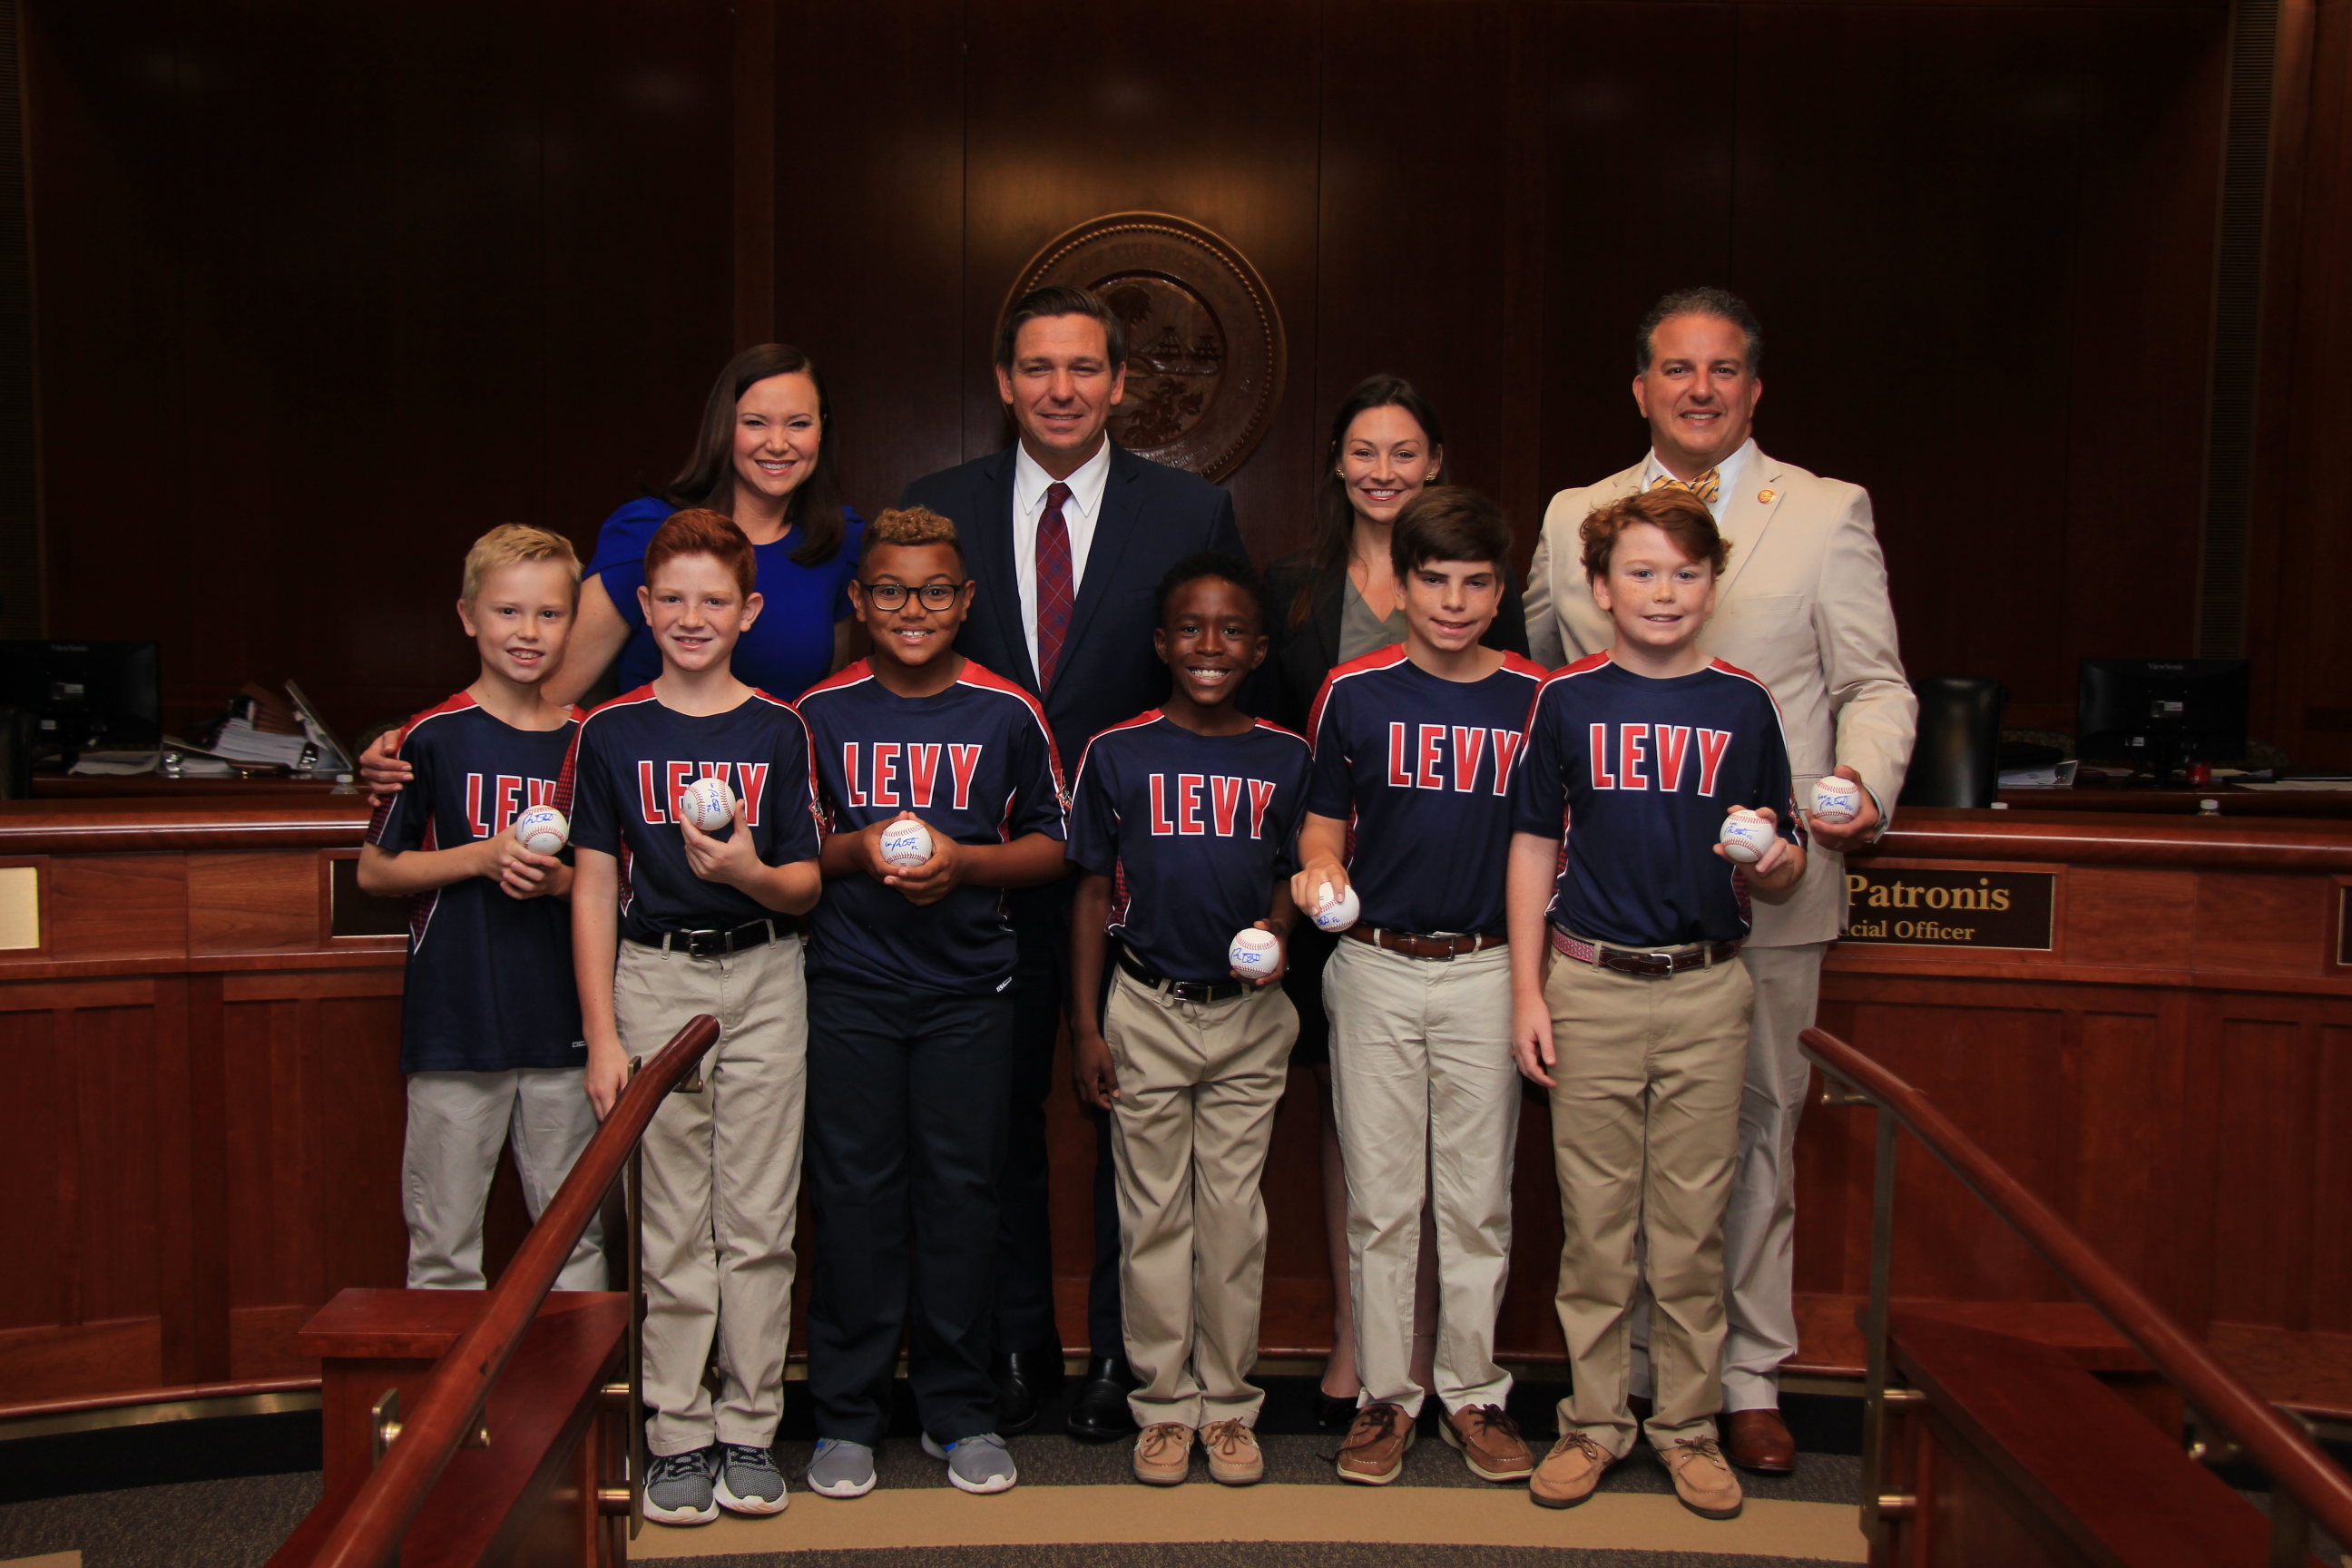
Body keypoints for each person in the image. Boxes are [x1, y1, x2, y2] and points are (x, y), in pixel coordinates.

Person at [1522, 287, 1916, 1473]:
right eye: (1677, 369)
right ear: (1641, 387)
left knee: (1747, 1142)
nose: (1701, 388)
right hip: (1603, 908)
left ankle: (1741, 1377)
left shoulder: (1828, 511)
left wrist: (1856, 788)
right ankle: (1621, 1386)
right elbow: (1545, 677)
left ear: (1755, 388)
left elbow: (1877, 682)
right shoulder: (1573, 516)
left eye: (1725, 369)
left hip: (1771, 896)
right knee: (1612, 1171)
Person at [900, 285, 1248, 1441]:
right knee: (991, 1126)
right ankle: (1013, 1345)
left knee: (1127, 1125)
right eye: (1039, 369)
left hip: (1128, 881)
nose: (1062, 389)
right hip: (979, 878)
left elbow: (1222, 694)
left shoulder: (1193, 510)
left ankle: (1120, 1355)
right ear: (1005, 382)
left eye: (1084, 369)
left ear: (1118, 383)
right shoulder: (935, 507)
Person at [1506, 487, 1808, 1521]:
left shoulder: (1744, 704)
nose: (1664, 591)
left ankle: (1687, 1425)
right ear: (1599, 588)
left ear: (1712, 585)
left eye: (1685, 572)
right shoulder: (1566, 700)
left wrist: (1774, 858)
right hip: (1588, 983)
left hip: (1706, 987)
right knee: (1595, 1229)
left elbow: (1782, 855)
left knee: (1688, 1230)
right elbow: (1533, 845)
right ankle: (1593, 1424)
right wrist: (1525, 993)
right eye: (1641, 572)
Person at [1259, 375, 1530, 1427]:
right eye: (1434, 584)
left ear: (1499, 588)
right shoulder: (1328, 644)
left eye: (1405, 450)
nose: (1452, 600)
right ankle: (1378, 1381)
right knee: (1374, 1177)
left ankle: (1467, 1391)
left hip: (1483, 952)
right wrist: (1309, 879)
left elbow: (1542, 839)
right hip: (1355, 938)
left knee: (1474, 1194)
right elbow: (1312, 799)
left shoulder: (1531, 694)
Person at [794, 505, 1070, 1500]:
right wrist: (859, 851)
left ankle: (959, 1410)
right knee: (856, 1199)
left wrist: (963, 866)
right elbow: (794, 848)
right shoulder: (818, 714)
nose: (915, 608)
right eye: (893, 592)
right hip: (852, 987)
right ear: (862, 602)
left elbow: (1055, 844)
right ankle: (848, 1417)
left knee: (963, 1197)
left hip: (970, 992)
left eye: (937, 591)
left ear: (966, 601)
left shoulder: (1006, 710)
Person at [559, 508, 825, 1527]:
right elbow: (590, 887)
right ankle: (678, 1435)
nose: (691, 616)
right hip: (653, 980)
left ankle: (751, 1428)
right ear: (643, 608)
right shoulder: (612, 732)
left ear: (748, 610)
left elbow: (803, 886)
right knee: (671, 1222)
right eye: (671, 599)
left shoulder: (777, 728)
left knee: (756, 1221)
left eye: (714, 599)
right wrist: (602, 1033)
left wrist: (751, 871)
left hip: (764, 979)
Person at [1065, 554, 1311, 1487]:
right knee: (1153, 1216)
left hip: (1249, 1014)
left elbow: (1299, 876)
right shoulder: (1118, 752)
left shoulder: (1287, 757)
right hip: (1147, 1007)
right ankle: (1163, 1407)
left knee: (1232, 1218)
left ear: (1258, 648)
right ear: (1163, 643)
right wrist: (1087, 1028)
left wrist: (1282, 930)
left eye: (1232, 630)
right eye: (1192, 629)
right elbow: (1090, 893)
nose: (1211, 646)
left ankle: (1230, 1406)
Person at [357, 344, 863, 793]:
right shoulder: (647, 532)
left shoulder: (838, 541)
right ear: (721, 429)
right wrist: (421, 743)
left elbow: (828, 704)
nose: (778, 443)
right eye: (754, 422)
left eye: (798, 423)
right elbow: (548, 691)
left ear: (823, 431)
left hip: (771, 803)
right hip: (641, 789)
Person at [358, 524, 601, 1295]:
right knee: (444, 1248)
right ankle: (453, 1419)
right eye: (506, 612)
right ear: (468, 616)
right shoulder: (428, 738)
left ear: (572, 621)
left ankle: (582, 1414)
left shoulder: (591, 741)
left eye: (549, 614)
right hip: (455, 1027)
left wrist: (562, 884)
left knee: (577, 1242)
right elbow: (375, 871)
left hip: (564, 1029)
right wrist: (483, 856)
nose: (527, 633)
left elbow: (612, 883)